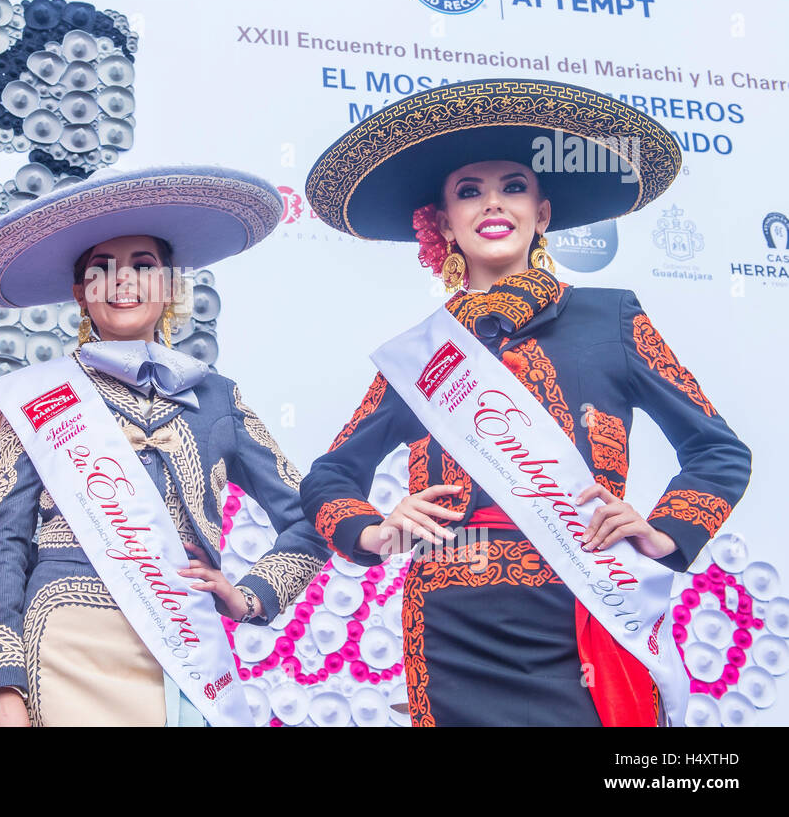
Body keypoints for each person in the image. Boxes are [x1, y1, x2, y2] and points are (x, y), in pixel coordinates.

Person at [301, 78, 751, 726]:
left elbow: (718, 451)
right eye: (468, 191)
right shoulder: (422, 354)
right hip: (452, 621)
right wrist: (371, 531)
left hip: (586, 601)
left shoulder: (609, 317)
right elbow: (330, 474)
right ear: (443, 223)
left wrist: (666, 533)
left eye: (514, 186)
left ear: (542, 212)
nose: (493, 203)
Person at [0, 165, 329, 726]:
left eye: (143, 266)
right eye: (101, 269)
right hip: (64, 642)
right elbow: (2, 543)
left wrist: (250, 594)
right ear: (81, 293)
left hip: (181, 646)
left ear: (172, 284)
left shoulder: (217, 398)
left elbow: (311, 517)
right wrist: (1, 685)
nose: (122, 280)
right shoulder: (39, 395)